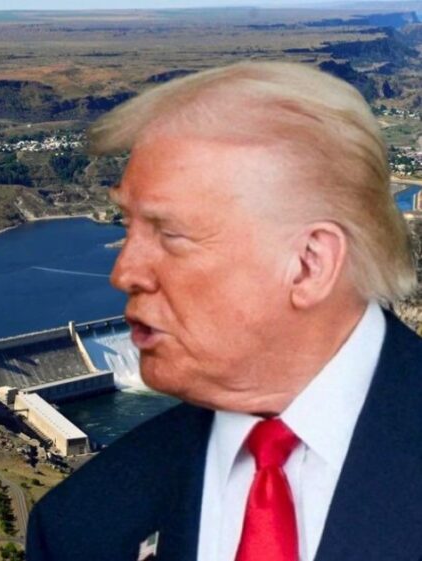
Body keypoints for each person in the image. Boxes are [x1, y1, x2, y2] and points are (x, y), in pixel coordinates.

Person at [27, 61, 422, 561]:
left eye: (170, 233)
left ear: (308, 264)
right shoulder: (81, 523)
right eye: (126, 226)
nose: (124, 273)